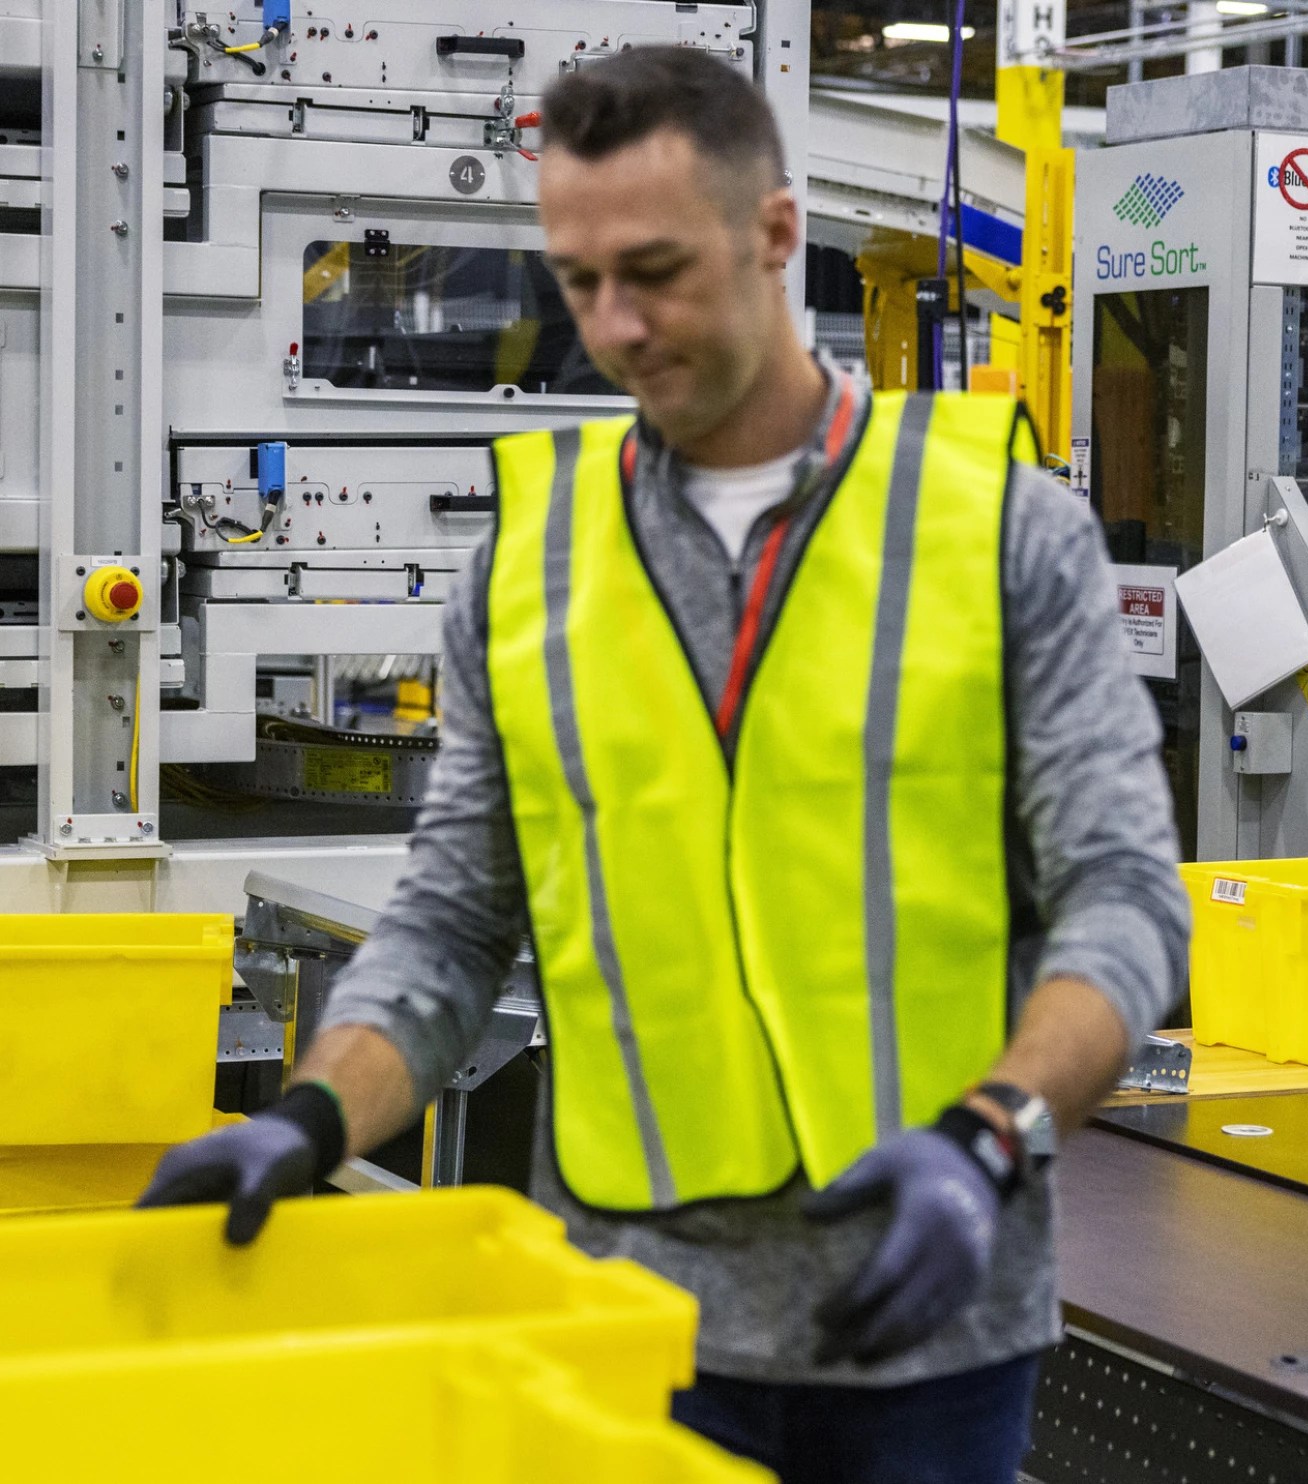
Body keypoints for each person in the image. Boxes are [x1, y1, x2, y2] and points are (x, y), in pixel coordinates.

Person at [137, 43, 1188, 1484]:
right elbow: (451, 929)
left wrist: (990, 1138)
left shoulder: (1002, 534)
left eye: (655, 269)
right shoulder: (524, 566)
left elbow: (1127, 903)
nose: (616, 325)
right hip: (631, 1325)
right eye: (578, 281)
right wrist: (311, 1120)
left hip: (930, 1325)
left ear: (775, 233)